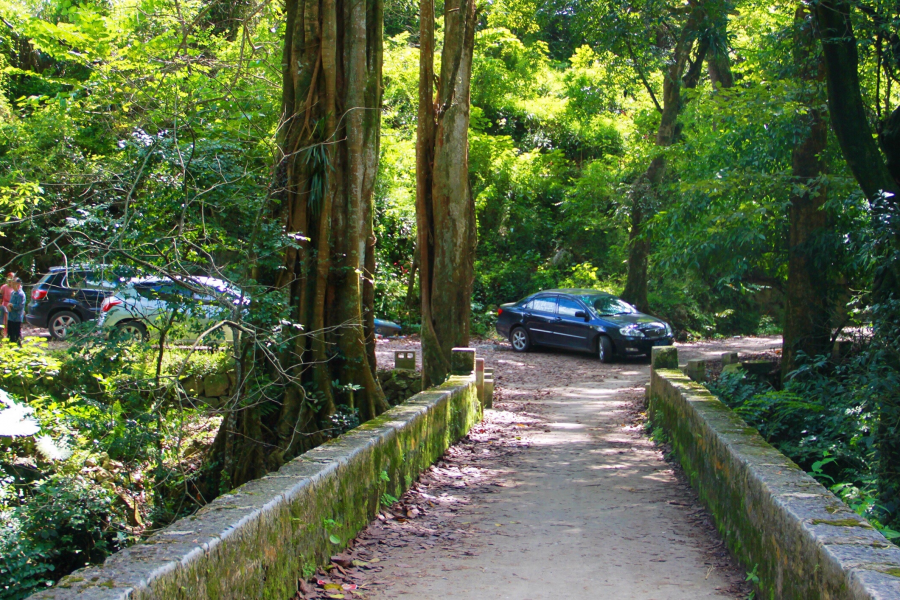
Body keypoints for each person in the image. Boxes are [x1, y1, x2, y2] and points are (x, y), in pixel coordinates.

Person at [6, 278, 25, 346]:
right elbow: (10, 302)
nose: (12, 285)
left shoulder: (21, 294)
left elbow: (20, 306)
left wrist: (12, 305)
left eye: (14, 284)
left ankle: (18, 348)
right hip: (10, 317)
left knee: (16, 334)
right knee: (10, 334)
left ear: (18, 284)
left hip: (17, 318)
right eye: (12, 283)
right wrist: (8, 306)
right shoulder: (13, 293)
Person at [0, 272, 14, 338]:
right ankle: (4, 335)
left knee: (11, 321)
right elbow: (0, 296)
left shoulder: (15, 287)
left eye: (12, 279)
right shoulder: (4, 287)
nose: (10, 281)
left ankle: (11, 334)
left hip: (12, 305)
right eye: (9, 279)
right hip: (5, 305)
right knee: (4, 321)